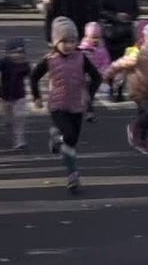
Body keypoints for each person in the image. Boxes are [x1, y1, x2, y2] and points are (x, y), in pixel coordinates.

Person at [31, 17, 103, 193]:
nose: (69, 45)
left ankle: (57, 138)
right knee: (69, 137)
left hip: (77, 104)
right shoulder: (50, 59)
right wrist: (37, 97)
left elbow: (97, 77)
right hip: (58, 104)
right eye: (64, 41)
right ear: (56, 41)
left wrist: (89, 96)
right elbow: (34, 76)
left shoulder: (81, 57)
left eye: (73, 41)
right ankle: (73, 175)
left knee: (72, 140)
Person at [106, 23, 148, 154]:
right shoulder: (138, 56)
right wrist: (108, 74)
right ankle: (133, 127)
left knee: (147, 120)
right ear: (145, 43)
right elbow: (118, 64)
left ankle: (141, 141)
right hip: (139, 91)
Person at [98, 0, 139, 101]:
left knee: (125, 63)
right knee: (112, 63)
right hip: (111, 33)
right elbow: (100, 10)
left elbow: (136, 11)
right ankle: (111, 89)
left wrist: (130, 16)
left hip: (127, 33)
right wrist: (115, 16)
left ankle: (120, 90)